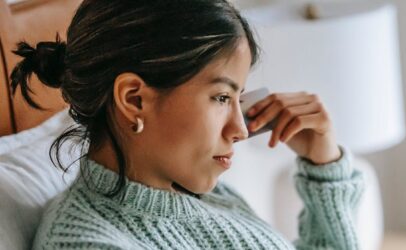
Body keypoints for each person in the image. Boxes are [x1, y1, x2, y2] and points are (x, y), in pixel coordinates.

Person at [9, 0, 364, 249]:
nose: (240, 130)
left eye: (237, 97)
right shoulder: (92, 242)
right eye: (222, 98)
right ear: (134, 99)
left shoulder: (200, 193)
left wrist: (325, 167)